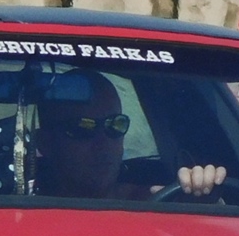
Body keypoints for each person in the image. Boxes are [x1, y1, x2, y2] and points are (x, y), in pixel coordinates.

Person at [32, 71, 226, 200]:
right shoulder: (16, 213)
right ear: (45, 143)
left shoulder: (155, 202)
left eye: (116, 125)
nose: (104, 143)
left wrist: (201, 190)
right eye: (83, 128)